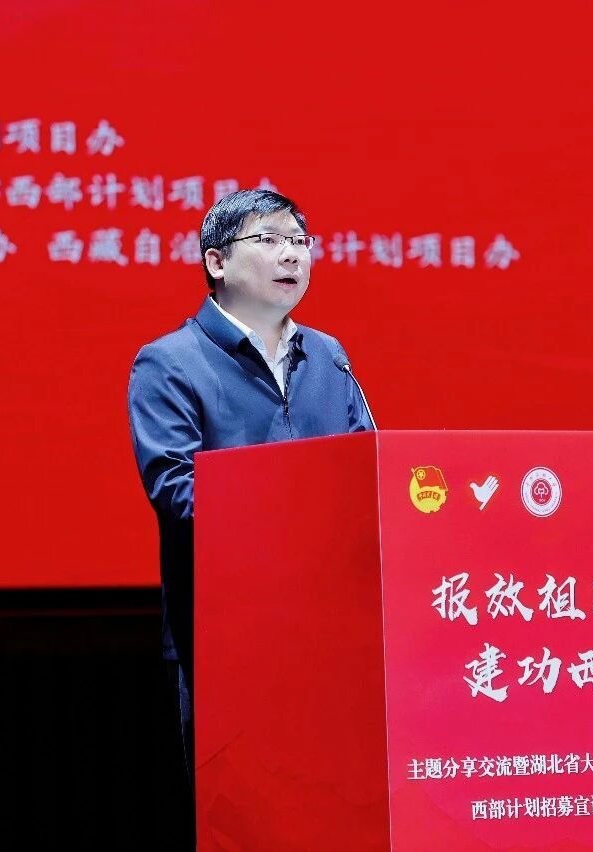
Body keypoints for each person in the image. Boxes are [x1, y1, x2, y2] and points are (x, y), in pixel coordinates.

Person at [126, 188, 374, 808]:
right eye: (269, 240)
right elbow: (178, 493)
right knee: (250, 818)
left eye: (299, 242)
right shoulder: (169, 364)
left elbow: (366, 475)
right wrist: (302, 515)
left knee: (340, 812)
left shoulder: (328, 357)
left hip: (335, 636)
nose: (291, 255)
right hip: (232, 640)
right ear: (216, 261)